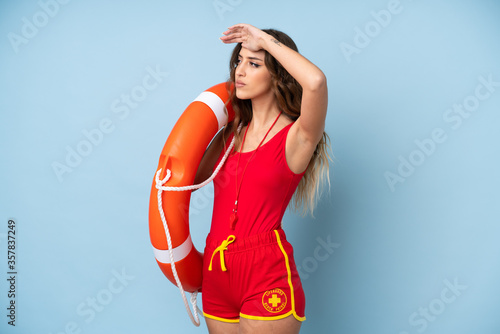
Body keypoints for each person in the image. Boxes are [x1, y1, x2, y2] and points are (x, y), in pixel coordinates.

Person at [194, 23, 330, 334]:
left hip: (264, 270)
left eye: (254, 64)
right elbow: (188, 180)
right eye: (239, 61)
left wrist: (265, 41)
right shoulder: (229, 134)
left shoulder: (297, 137)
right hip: (217, 268)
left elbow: (316, 83)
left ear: (278, 73)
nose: (240, 71)